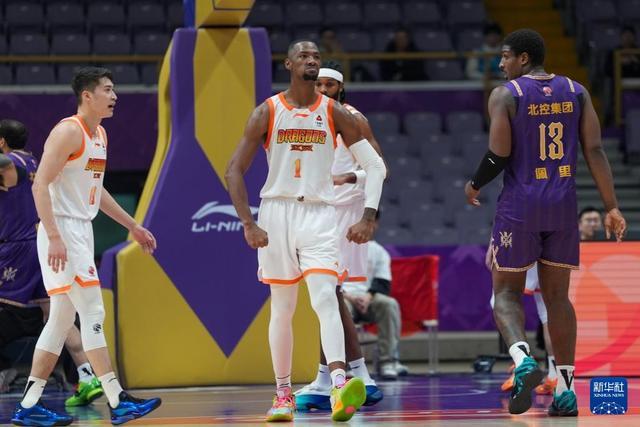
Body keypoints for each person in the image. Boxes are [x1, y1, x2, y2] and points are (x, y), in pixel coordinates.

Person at [464, 29, 626, 417]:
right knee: (558, 299)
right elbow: (595, 150)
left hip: (520, 206)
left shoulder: (506, 95)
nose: (500, 63)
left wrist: (474, 184)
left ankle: (523, 360)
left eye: (505, 56)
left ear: (523, 58)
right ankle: (566, 391)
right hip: (562, 206)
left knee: (505, 293)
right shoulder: (577, 91)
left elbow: (498, 155)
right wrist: (612, 207)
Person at [225, 41, 386, 422]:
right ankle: (283, 394)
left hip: (319, 214)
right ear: (289, 64)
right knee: (282, 308)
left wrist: (368, 216)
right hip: (276, 213)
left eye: (316, 56)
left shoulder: (335, 112)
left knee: (326, 298)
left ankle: (339, 384)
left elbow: (376, 166)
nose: (311, 60)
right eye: (304, 56)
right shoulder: (268, 111)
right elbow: (233, 170)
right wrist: (248, 223)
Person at [11, 67, 161, 426]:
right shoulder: (68, 131)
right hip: (63, 229)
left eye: (114, 89)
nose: (115, 96)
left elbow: (96, 189)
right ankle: (117, 398)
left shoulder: (101, 135)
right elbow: (39, 185)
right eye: (108, 90)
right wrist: (55, 236)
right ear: (87, 96)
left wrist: (133, 225)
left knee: (61, 320)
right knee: (93, 311)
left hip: (78, 229)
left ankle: (28, 406)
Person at [294, 61, 384, 411]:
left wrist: (353, 184)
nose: (322, 91)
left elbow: (380, 167)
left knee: (327, 294)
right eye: (318, 85)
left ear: (340, 88)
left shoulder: (353, 118)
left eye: (328, 86)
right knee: (329, 295)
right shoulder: (308, 118)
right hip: (319, 211)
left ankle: (335, 377)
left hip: (345, 214)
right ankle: (354, 374)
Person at [0, 119, 103, 405]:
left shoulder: (11, 164)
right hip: (41, 245)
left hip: (19, 251)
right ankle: (87, 375)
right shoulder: (35, 161)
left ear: (2, 142)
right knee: (58, 315)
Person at [343, 211, 406, 380]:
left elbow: (382, 282)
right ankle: (346, 364)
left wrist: (367, 297)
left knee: (389, 304)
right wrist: (349, 297)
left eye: (371, 221)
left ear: (375, 224)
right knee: (339, 308)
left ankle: (387, 361)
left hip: (368, 298)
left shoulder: (379, 252)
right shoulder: (339, 246)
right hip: (344, 296)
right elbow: (331, 280)